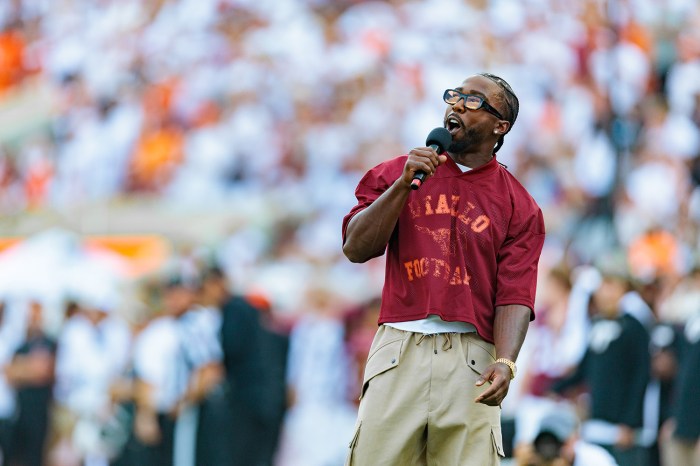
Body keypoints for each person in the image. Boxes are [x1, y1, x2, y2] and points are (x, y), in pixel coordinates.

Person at [341, 73, 546, 465]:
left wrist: (505, 361)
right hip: (399, 344)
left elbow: (515, 294)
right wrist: (402, 186)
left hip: (472, 357)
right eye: (454, 96)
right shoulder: (398, 171)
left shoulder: (520, 204)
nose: (456, 105)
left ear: (500, 126)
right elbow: (355, 247)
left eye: (473, 101)